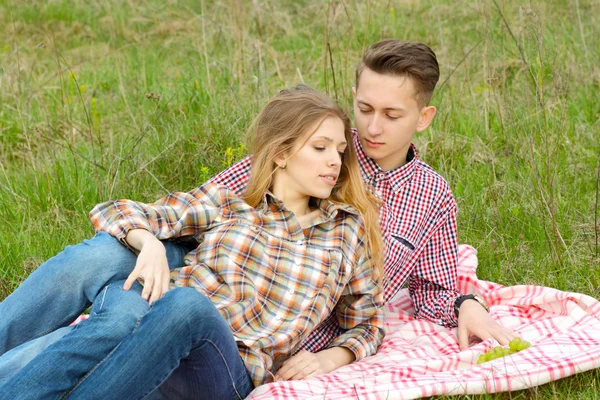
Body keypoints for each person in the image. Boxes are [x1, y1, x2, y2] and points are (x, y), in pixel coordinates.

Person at [0, 85, 384, 399]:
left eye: (339, 151)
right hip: (152, 333)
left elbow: (367, 322)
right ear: (281, 154)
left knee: (186, 306)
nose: (334, 160)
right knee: (123, 309)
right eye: (320, 148)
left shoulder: (346, 231)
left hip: (222, 364)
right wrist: (148, 243)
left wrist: (330, 358)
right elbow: (116, 211)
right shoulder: (229, 204)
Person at [208, 39, 517, 352]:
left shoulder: (432, 195)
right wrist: (153, 238)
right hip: (229, 304)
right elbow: (211, 199)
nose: (373, 127)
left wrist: (467, 304)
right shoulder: (319, 148)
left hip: (291, 344)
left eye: (391, 116)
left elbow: (431, 294)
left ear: (424, 118)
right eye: (365, 109)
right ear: (354, 98)